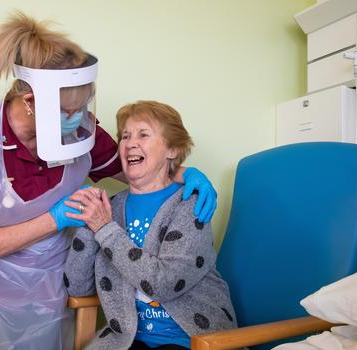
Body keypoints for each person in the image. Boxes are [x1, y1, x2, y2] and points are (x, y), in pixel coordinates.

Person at [0, 12, 218, 350]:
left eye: (83, 107)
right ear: (31, 103)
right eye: (68, 112)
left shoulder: (80, 130)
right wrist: (55, 219)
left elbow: (143, 169)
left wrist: (186, 172)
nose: (80, 120)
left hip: (51, 288)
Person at [63, 101, 237, 350]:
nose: (130, 143)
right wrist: (87, 223)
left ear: (173, 150)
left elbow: (163, 284)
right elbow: (77, 288)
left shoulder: (190, 204)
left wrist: (103, 228)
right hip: (128, 339)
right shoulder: (111, 208)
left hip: (192, 339)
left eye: (143, 134)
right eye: (125, 136)